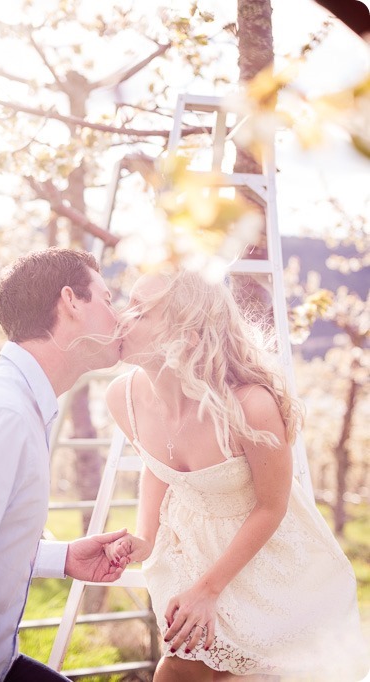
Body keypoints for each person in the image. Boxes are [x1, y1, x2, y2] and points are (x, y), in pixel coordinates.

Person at [105, 269, 369, 682]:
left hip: (268, 558)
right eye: (129, 304)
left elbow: (271, 505)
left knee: (248, 675)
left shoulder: (250, 406)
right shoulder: (122, 396)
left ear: (187, 335)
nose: (122, 317)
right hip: (191, 545)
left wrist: (208, 590)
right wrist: (147, 536)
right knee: (180, 664)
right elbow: (157, 467)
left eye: (141, 312)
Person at [0, 247, 130, 682]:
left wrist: (62, 557)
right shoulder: (0, 412)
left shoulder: (11, 401)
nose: (118, 316)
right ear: (71, 301)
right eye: (107, 300)